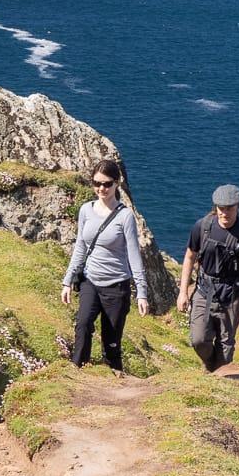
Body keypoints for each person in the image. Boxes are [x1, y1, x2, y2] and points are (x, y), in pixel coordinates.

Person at [60, 158, 149, 371]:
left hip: (116, 287)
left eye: (107, 183)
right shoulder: (85, 210)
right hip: (90, 281)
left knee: (111, 342)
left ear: (117, 184)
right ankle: (78, 370)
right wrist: (67, 280)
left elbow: (133, 255)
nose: (102, 188)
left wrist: (142, 293)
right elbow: (80, 246)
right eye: (97, 183)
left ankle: (115, 378)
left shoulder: (125, 216)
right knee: (82, 325)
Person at [179, 183, 239, 372]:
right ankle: (209, 367)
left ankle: (213, 372)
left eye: (230, 208)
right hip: (204, 291)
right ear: (215, 207)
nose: (225, 213)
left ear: (238, 207)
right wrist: (183, 292)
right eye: (221, 209)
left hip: (232, 296)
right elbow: (189, 257)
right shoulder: (202, 227)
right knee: (199, 339)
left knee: (225, 354)